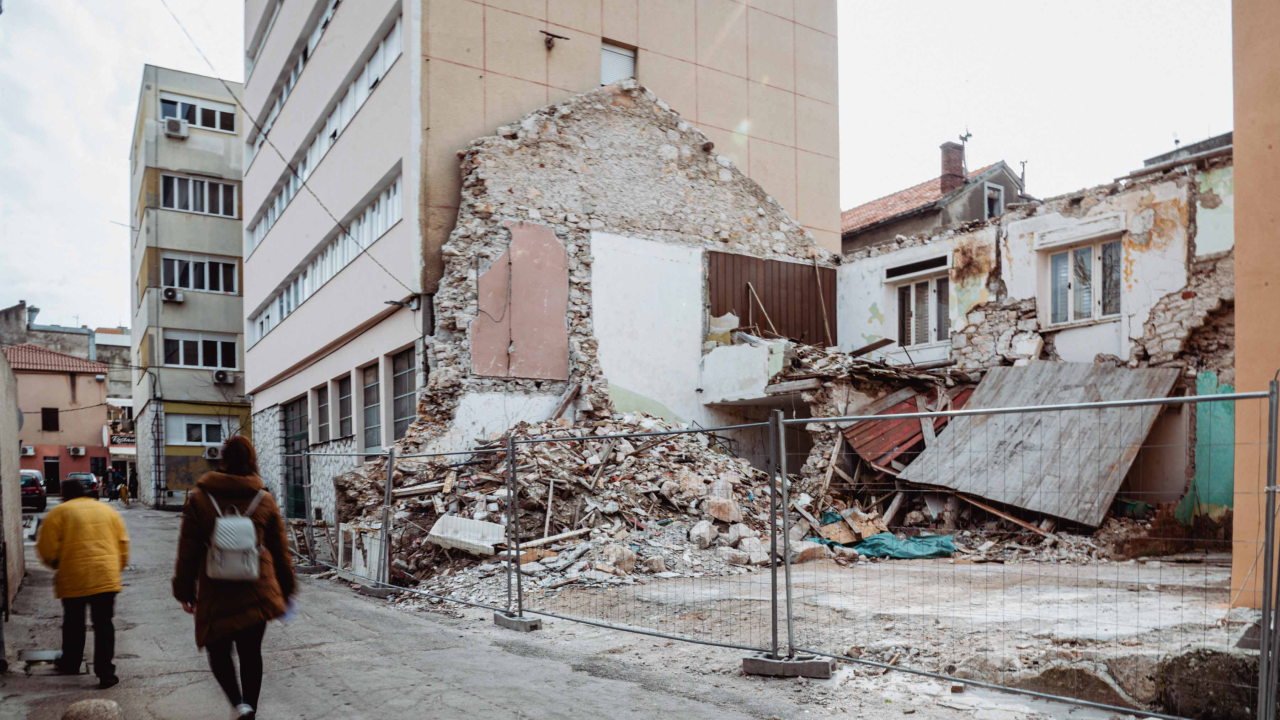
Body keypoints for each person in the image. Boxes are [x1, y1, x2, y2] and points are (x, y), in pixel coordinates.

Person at [173, 435, 296, 720]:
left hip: (215, 589)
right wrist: (287, 590)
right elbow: (280, 551)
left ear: (223, 460)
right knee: (251, 652)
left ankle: (239, 704)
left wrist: (184, 590)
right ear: (252, 460)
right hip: (257, 588)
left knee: (218, 649)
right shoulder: (264, 499)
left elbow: (188, 550)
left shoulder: (200, 498)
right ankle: (250, 708)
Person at [35, 476, 129, 688]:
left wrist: (56, 564)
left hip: (73, 577)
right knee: (103, 624)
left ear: (64, 494)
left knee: (74, 623)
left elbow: (47, 548)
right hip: (105, 577)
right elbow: (123, 543)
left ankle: (70, 662)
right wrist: (115, 568)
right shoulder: (107, 511)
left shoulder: (59, 513)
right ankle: (106, 673)